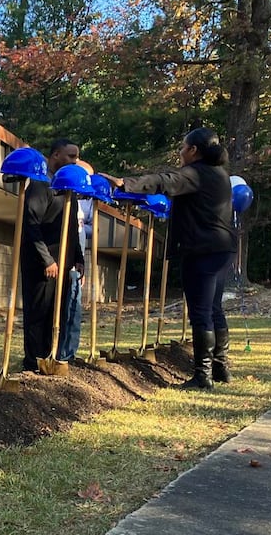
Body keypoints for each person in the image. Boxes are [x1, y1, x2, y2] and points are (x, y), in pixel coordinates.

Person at [100, 127, 237, 389]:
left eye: (183, 147)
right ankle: (221, 368)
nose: (180, 151)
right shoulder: (221, 175)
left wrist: (124, 183)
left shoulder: (195, 173)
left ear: (193, 150)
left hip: (202, 250)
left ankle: (202, 376)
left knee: (201, 312)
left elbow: (164, 180)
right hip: (222, 249)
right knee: (215, 307)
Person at [21, 138, 85, 371]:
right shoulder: (41, 185)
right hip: (41, 265)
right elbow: (31, 224)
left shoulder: (69, 190)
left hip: (65, 263)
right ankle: (32, 363)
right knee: (38, 314)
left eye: (77, 156)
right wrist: (47, 259)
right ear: (55, 155)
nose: (74, 161)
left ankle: (49, 358)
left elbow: (72, 229)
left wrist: (79, 259)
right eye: (70, 156)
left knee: (55, 314)